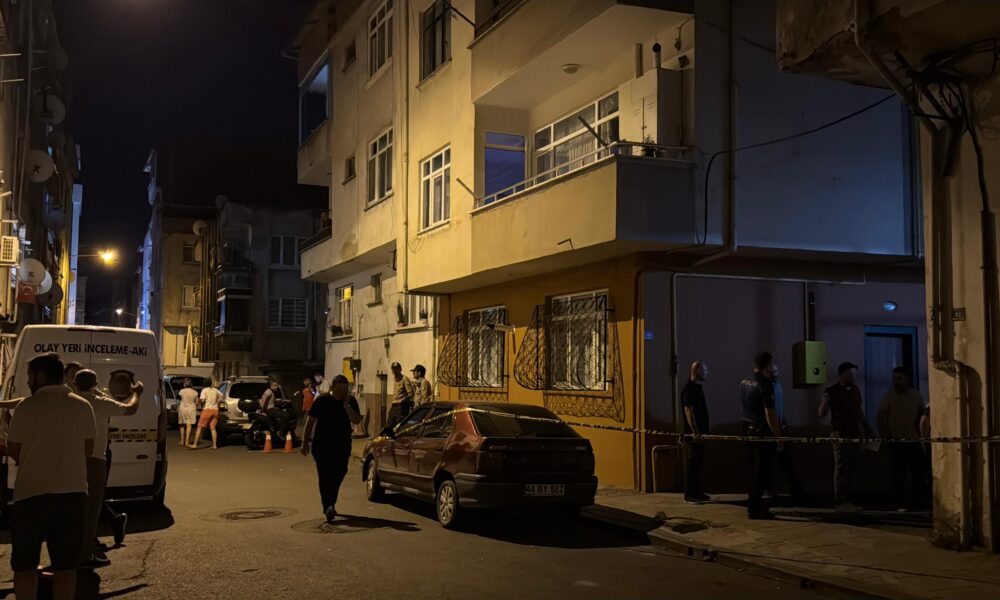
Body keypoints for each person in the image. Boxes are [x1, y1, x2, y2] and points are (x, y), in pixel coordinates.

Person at [6, 353, 96, 600]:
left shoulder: (26, 407)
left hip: (30, 494)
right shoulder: (82, 405)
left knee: (24, 565)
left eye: (30, 376)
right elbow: (88, 449)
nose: (29, 381)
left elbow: (14, 450)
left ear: (41, 376)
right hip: (72, 494)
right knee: (66, 566)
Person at [74, 369, 142, 568]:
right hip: (95, 459)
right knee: (92, 508)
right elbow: (130, 409)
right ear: (95, 384)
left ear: (75, 384)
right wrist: (137, 393)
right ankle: (85, 555)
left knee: (72, 508)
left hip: (70, 460)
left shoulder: (70, 401)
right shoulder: (100, 403)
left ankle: (69, 551)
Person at [301, 374, 362, 522]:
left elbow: (356, 420)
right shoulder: (322, 400)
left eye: (344, 390)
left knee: (340, 472)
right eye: (339, 390)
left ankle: (330, 502)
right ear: (333, 388)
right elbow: (310, 421)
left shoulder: (350, 401)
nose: (342, 393)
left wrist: (346, 406)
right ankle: (328, 505)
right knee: (325, 475)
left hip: (342, 444)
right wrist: (304, 442)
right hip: (322, 444)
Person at [819, 361, 873, 512]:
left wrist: (868, 428)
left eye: (854, 374)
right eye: (850, 374)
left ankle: (847, 499)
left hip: (853, 433)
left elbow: (858, 412)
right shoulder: (832, 391)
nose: (853, 377)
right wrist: (825, 402)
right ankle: (840, 501)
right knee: (841, 466)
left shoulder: (855, 390)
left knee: (849, 467)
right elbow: (822, 413)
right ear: (842, 374)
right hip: (840, 433)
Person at [739, 351, 783, 520]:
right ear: (767, 366)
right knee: (762, 471)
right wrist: (778, 437)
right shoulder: (765, 384)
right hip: (762, 432)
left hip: (747, 427)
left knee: (753, 469)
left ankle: (753, 501)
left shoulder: (746, 381)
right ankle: (755, 507)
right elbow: (770, 414)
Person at [877, 367, 926, 510]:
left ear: (907, 379)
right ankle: (900, 504)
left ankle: (918, 503)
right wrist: (885, 436)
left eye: (899, 379)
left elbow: (922, 415)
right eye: (894, 379)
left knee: (918, 473)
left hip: (913, 441)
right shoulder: (888, 397)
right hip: (896, 442)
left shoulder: (916, 396)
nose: (895, 382)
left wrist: (922, 436)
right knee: (898, 474)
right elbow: (880, 417)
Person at [769, 363, 806, 504]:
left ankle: (796, 489)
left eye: (776, 371)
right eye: (773, 372)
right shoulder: (769, 388)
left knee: (785, 462)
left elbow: (779, 408)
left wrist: (783, 421)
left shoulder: (777, 386)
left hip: (780, 428)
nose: (775, 374)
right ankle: (795, 489)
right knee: (776, 463)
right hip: (773, 431)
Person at [682, 360, 710, 503]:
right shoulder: (690, 389)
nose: (707, 372)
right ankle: (690, 493)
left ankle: (697, 492)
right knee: (693, 463)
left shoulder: (697, 387)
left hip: (701, 434)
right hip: (695, 435)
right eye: (705, 370)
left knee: (698, 463)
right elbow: (689, 412)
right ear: (697, 371)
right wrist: (695, 432)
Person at [190, 381, 223, 449]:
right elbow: (222, 396)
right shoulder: (215, 390)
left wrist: (201, 405)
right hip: (215, 410)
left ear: (204, 384)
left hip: (207, 409)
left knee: (199, 427)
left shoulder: (204, 390)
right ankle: (214, 445)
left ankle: (195, 444)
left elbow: (202, 400)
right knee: (213, 427)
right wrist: (217, 402)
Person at [386, 362, 414, 428]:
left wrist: (404, 400)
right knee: (388, 426)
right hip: (393, 405)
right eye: (393, 369)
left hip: (400, 407)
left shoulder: (404, 379)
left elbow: (411, 393)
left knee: (398, 427)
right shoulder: (395, 379)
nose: (395, 371)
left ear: (400, 369)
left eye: (396, 369)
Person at [177, 378, 199, 447]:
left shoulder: (181, 391)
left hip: (182, 408)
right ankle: (187, 442)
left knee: (181, 424)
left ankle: (182, 441)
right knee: (189, 425)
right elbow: (197, 402)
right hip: (191, 409)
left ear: (184, 384)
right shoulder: (195, 392)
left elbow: (179, 399)